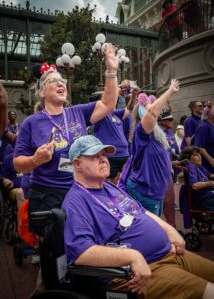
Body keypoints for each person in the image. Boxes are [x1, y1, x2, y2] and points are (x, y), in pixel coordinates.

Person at [62, 135, 214, 299]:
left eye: (104, 155)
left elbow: (141, 211)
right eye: (95, 156)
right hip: (143, 269)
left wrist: (171, 231)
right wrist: (133, 256)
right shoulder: (76, 201)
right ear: (77, 164)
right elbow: (81, 253)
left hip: (169, 253)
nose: (104, 160)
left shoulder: (107, 186)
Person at [13, 43, 119, 236]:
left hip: (79, 190)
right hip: (47, 194)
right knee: (54, 249)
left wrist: (111, 71)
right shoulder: (31, 122)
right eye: (53, 81)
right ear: (42, 92)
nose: (61, 83)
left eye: (62, 80)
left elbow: (108, 103)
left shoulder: (77, 112)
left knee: (82, 241)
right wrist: (35, 160)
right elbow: (18, 164)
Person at [126, 80, 179, 216]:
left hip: (155, 192)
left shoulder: (156, 133)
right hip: (145, 192)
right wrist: (170, 91)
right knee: (150, 233)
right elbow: (152, 113)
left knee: (155, 229)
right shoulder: (141, 131)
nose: (159, 111)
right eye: (152, 105)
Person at [93, 87, 138, 184]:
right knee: (107, 184)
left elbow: (129, 109)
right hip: (111, 156)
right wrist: (114, 91)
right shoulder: (99, 115)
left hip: (124, 155)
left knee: (120, 184)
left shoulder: (115, 114)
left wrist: (134, 95)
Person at [180, 146, 214, 211]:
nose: (200, 157)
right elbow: (195, 186)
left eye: (199, 154)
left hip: (209, 195)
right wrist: (211, 183)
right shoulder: (191, 167)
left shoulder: (200, 167)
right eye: (196, 155)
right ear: (188, 159)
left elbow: (211, 175)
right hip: (203, 200)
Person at [194, 103, 214, 173]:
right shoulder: (203, 127)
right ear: (210, 115)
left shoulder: (212, 125)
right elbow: (199, 147)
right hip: (208, 166)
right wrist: (211, 160)